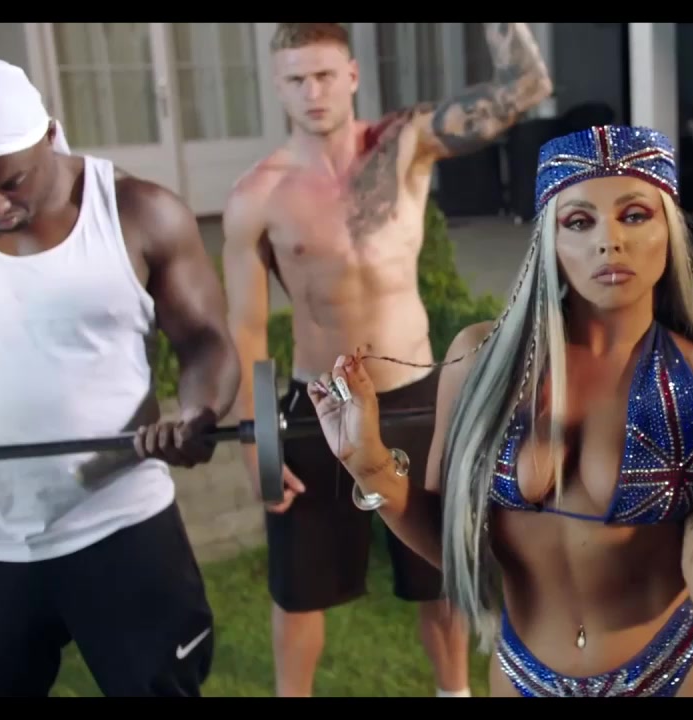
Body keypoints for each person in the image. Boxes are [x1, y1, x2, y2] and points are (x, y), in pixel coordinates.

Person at [303, 124, 693, 697]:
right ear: (549, 239)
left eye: (634, 215)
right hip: (525, 676)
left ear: (669, 231)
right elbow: (454, 545)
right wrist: (367, 462)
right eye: (579, 221)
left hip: (685, 672)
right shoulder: (483, 363)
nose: (609, 241)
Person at [221, 22, 553, 697]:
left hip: (419, 398)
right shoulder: (258, 195)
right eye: (295, 79)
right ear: (278, 86)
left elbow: (525, 88)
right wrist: (257, 445)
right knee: (298, 590)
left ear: (351, 75)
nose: (312, 92)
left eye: (323, 75)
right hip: (320, 404)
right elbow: (247, 329)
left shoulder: (404, 143)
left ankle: (454, 692)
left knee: (441, 574)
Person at [0, 58, 240, 697]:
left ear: (50, 135)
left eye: (10, 183)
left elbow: (205, 342)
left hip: (117, 523)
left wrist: (195, 413)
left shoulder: (137, 212)